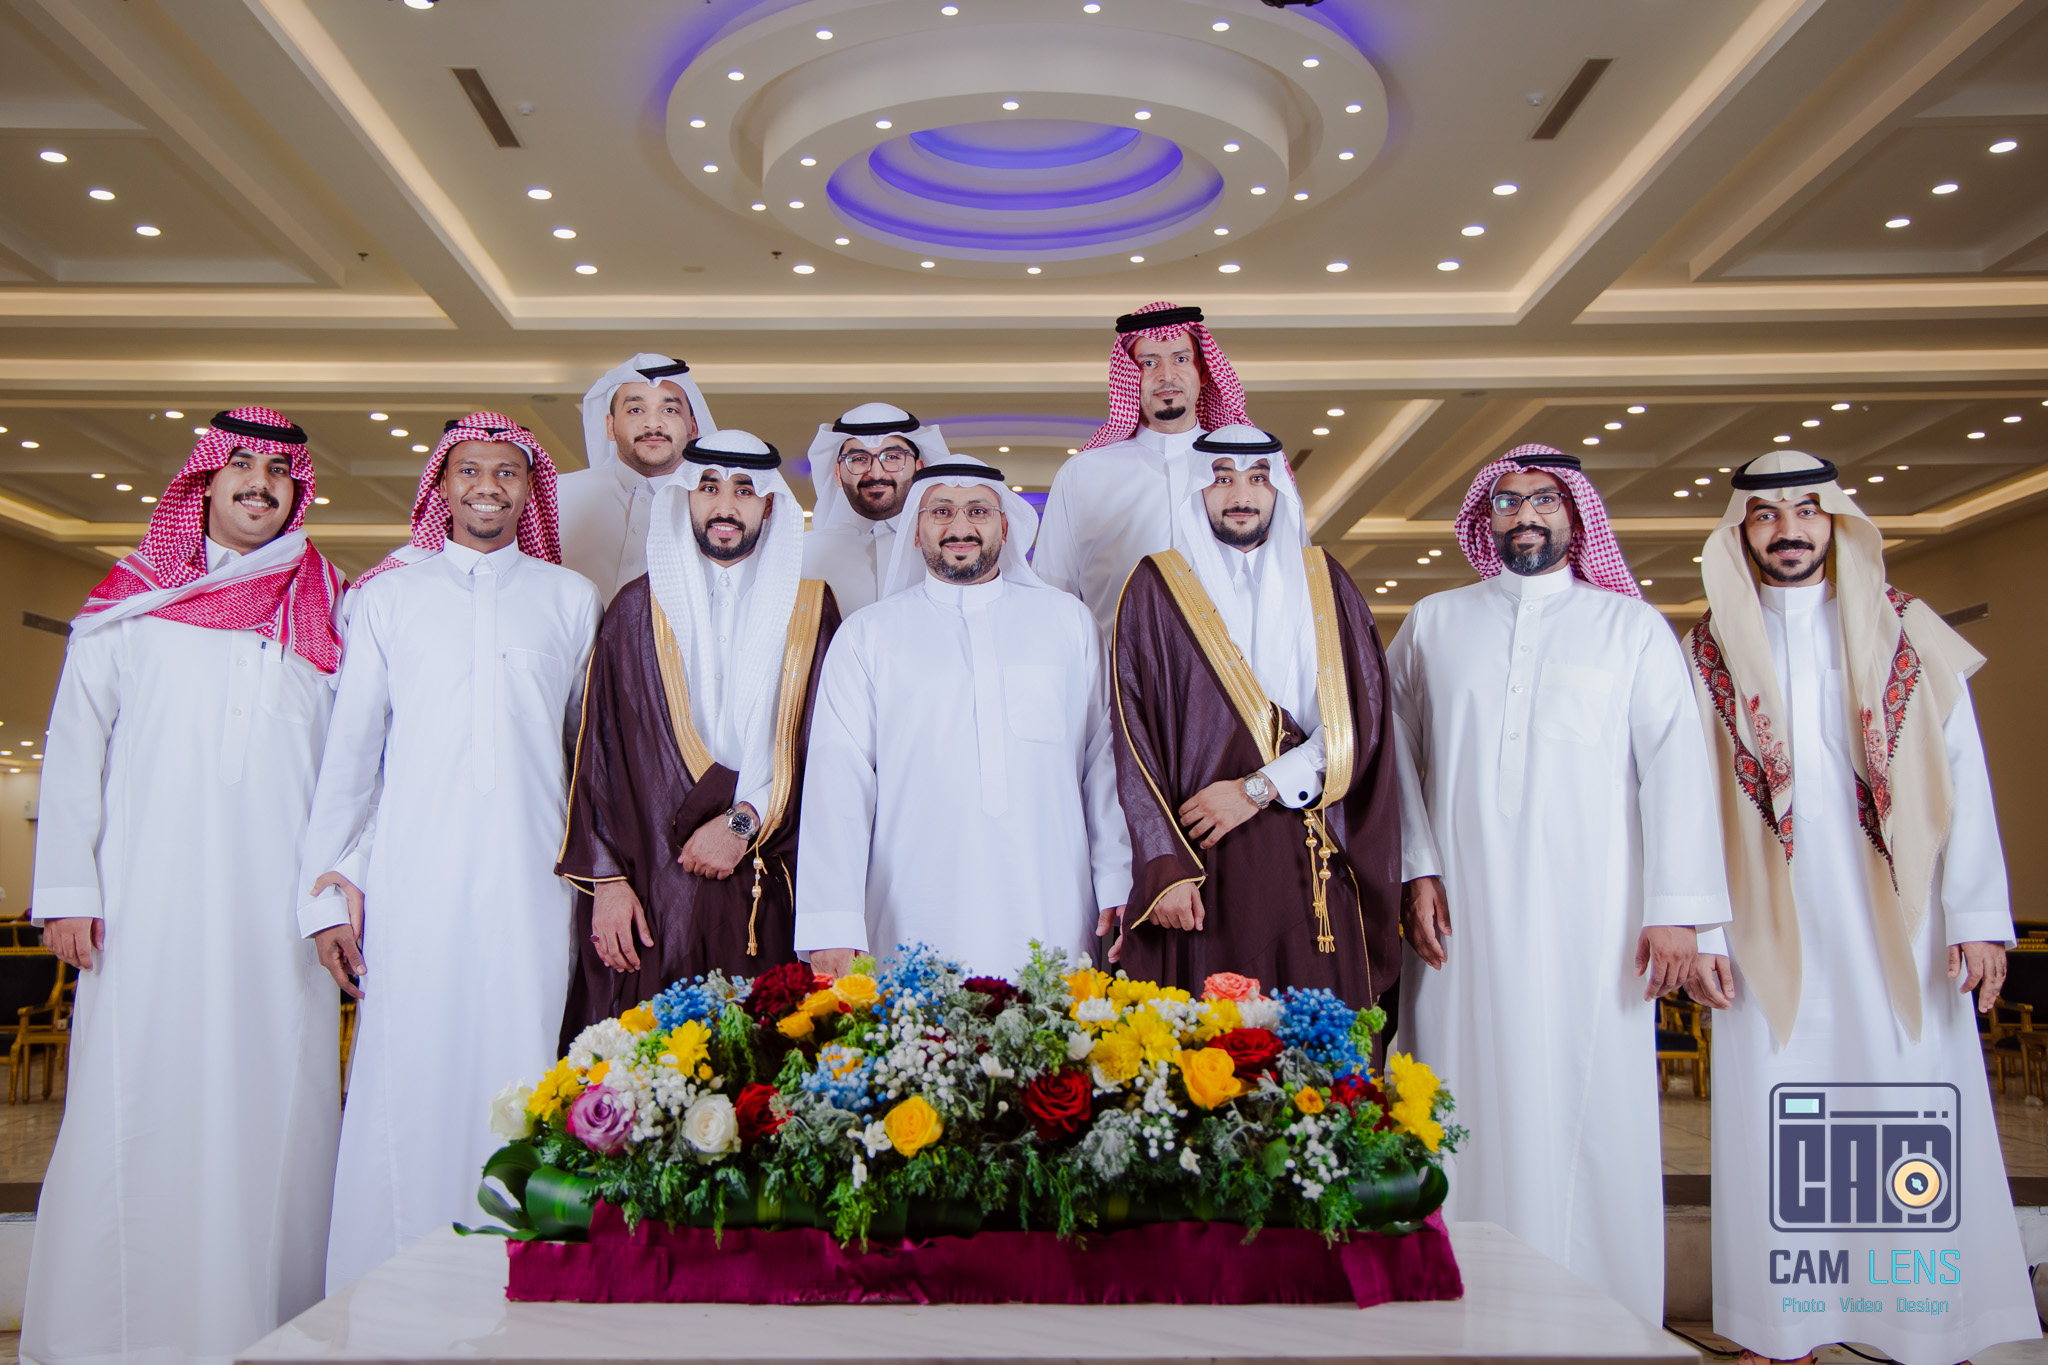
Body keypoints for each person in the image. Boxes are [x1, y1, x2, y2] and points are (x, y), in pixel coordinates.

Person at [1685, 451, 2037, 1365]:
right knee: (1780, 1114)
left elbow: (1963, 774)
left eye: (1807, 510)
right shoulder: (1705, 650)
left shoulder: (1906, 628)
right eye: (1767, 515)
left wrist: (1977, 915)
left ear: (1837, 521)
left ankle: (1922, 1323)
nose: (1788, 530)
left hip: (1903, 928)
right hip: (1765, 927)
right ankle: (1785, 1331)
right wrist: (1705, 927)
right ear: (1740, 531)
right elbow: (1688, 800)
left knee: (1906, 1105)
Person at [24, 407, 346, 1365]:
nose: (259, 484)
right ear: (203, 481)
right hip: (146, 908)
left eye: (278, 472)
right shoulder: (131, 602)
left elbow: (354, 767)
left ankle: (269, 1326)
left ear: (298, 490)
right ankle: (114, 1334)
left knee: (273, 1113)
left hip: (278, 922)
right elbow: (75, 750)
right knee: (136, 1103)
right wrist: (67, 892)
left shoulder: (328, 603)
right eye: (240, 465)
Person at [1387, 443, 1730, 1327]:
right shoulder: (1433, 623)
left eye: (1544, 499)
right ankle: (1454, 1305)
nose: (1526, 515)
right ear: (1485, 518)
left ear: (1576, 515)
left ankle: (1600, 1318)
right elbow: (1396, 759)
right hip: (1457, 921)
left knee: (1590, 1109)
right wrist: (1416, 866)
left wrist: (1678, 913)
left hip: (1596, 922)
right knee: (1456, 1095)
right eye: (1507, 501)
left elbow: (1677, 771)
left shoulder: (1631, 629)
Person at [297, 412, 599, 1293]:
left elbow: (590, 755)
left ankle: (516, 1277)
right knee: (408, 1067)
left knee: (524, 1059)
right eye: (470, 470)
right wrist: (327, 892)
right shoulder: (387, 598)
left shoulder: (570, 598)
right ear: (442, 484)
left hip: (535, 881)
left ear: (528, 489)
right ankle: (390, 1282)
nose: (487, 487)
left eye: (507, 472)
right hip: (412, 878)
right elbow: (353, 758)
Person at [557, 429, 841, 1049]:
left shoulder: (811, 611)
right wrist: (607, 883)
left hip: (766, 878)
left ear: (770, 504)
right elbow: (598, 755)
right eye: (708, 488)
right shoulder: (634, 610)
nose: (725, 506)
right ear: (684, 497)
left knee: (767, 1061)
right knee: (650, 1067)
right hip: (652, 889)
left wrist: (742, 822)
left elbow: (826, 750)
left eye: (744, 490)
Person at [795, 460, 1131, 978]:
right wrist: (832, 922)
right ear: (916, 530)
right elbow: (837, 784)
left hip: (1051, 896)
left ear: (1005, 526)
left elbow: (1103, 763)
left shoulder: (1067, 621)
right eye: (941, 512)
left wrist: (1117, 879)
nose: (960, 527)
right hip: (910, 904)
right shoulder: (868, 635)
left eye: (978, 511)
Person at [1108, 426, 1399, 1006]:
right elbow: (1132, 736)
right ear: (1198, 489)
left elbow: (1358, 721)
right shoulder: (1155, 586)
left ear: (1279, 490)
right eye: (1222, 478)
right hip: (1204, 860)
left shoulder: (1327, 582)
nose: (1241, 494)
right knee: (1213, 1040)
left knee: (1316, 1039)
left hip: (1310, 854)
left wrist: (1257, 789)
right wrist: (1165, 866)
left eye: (1258, 478)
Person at [1036, 301, 1252, 639]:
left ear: (1203, 371)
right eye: (1148, 363)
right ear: (1129, 378)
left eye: (1181, 359)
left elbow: (1289, 576)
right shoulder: (1083, 473)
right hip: (1116, 669)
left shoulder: (1251, 467)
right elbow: (1053, 592)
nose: (1167, 376)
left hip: (1235, 667)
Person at [557, 353, 717, 604]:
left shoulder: (719, 511)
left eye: (670, 410)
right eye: (635, 410)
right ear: (610, 426)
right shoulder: (556, 495)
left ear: (693, 427)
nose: (652, 424)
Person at [799, 403, 941, 613]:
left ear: (919, 469)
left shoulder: (950, 549)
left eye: (892, 457)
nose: (876, 473)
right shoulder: (803, 554)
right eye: (859, 459)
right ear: (838, 474)